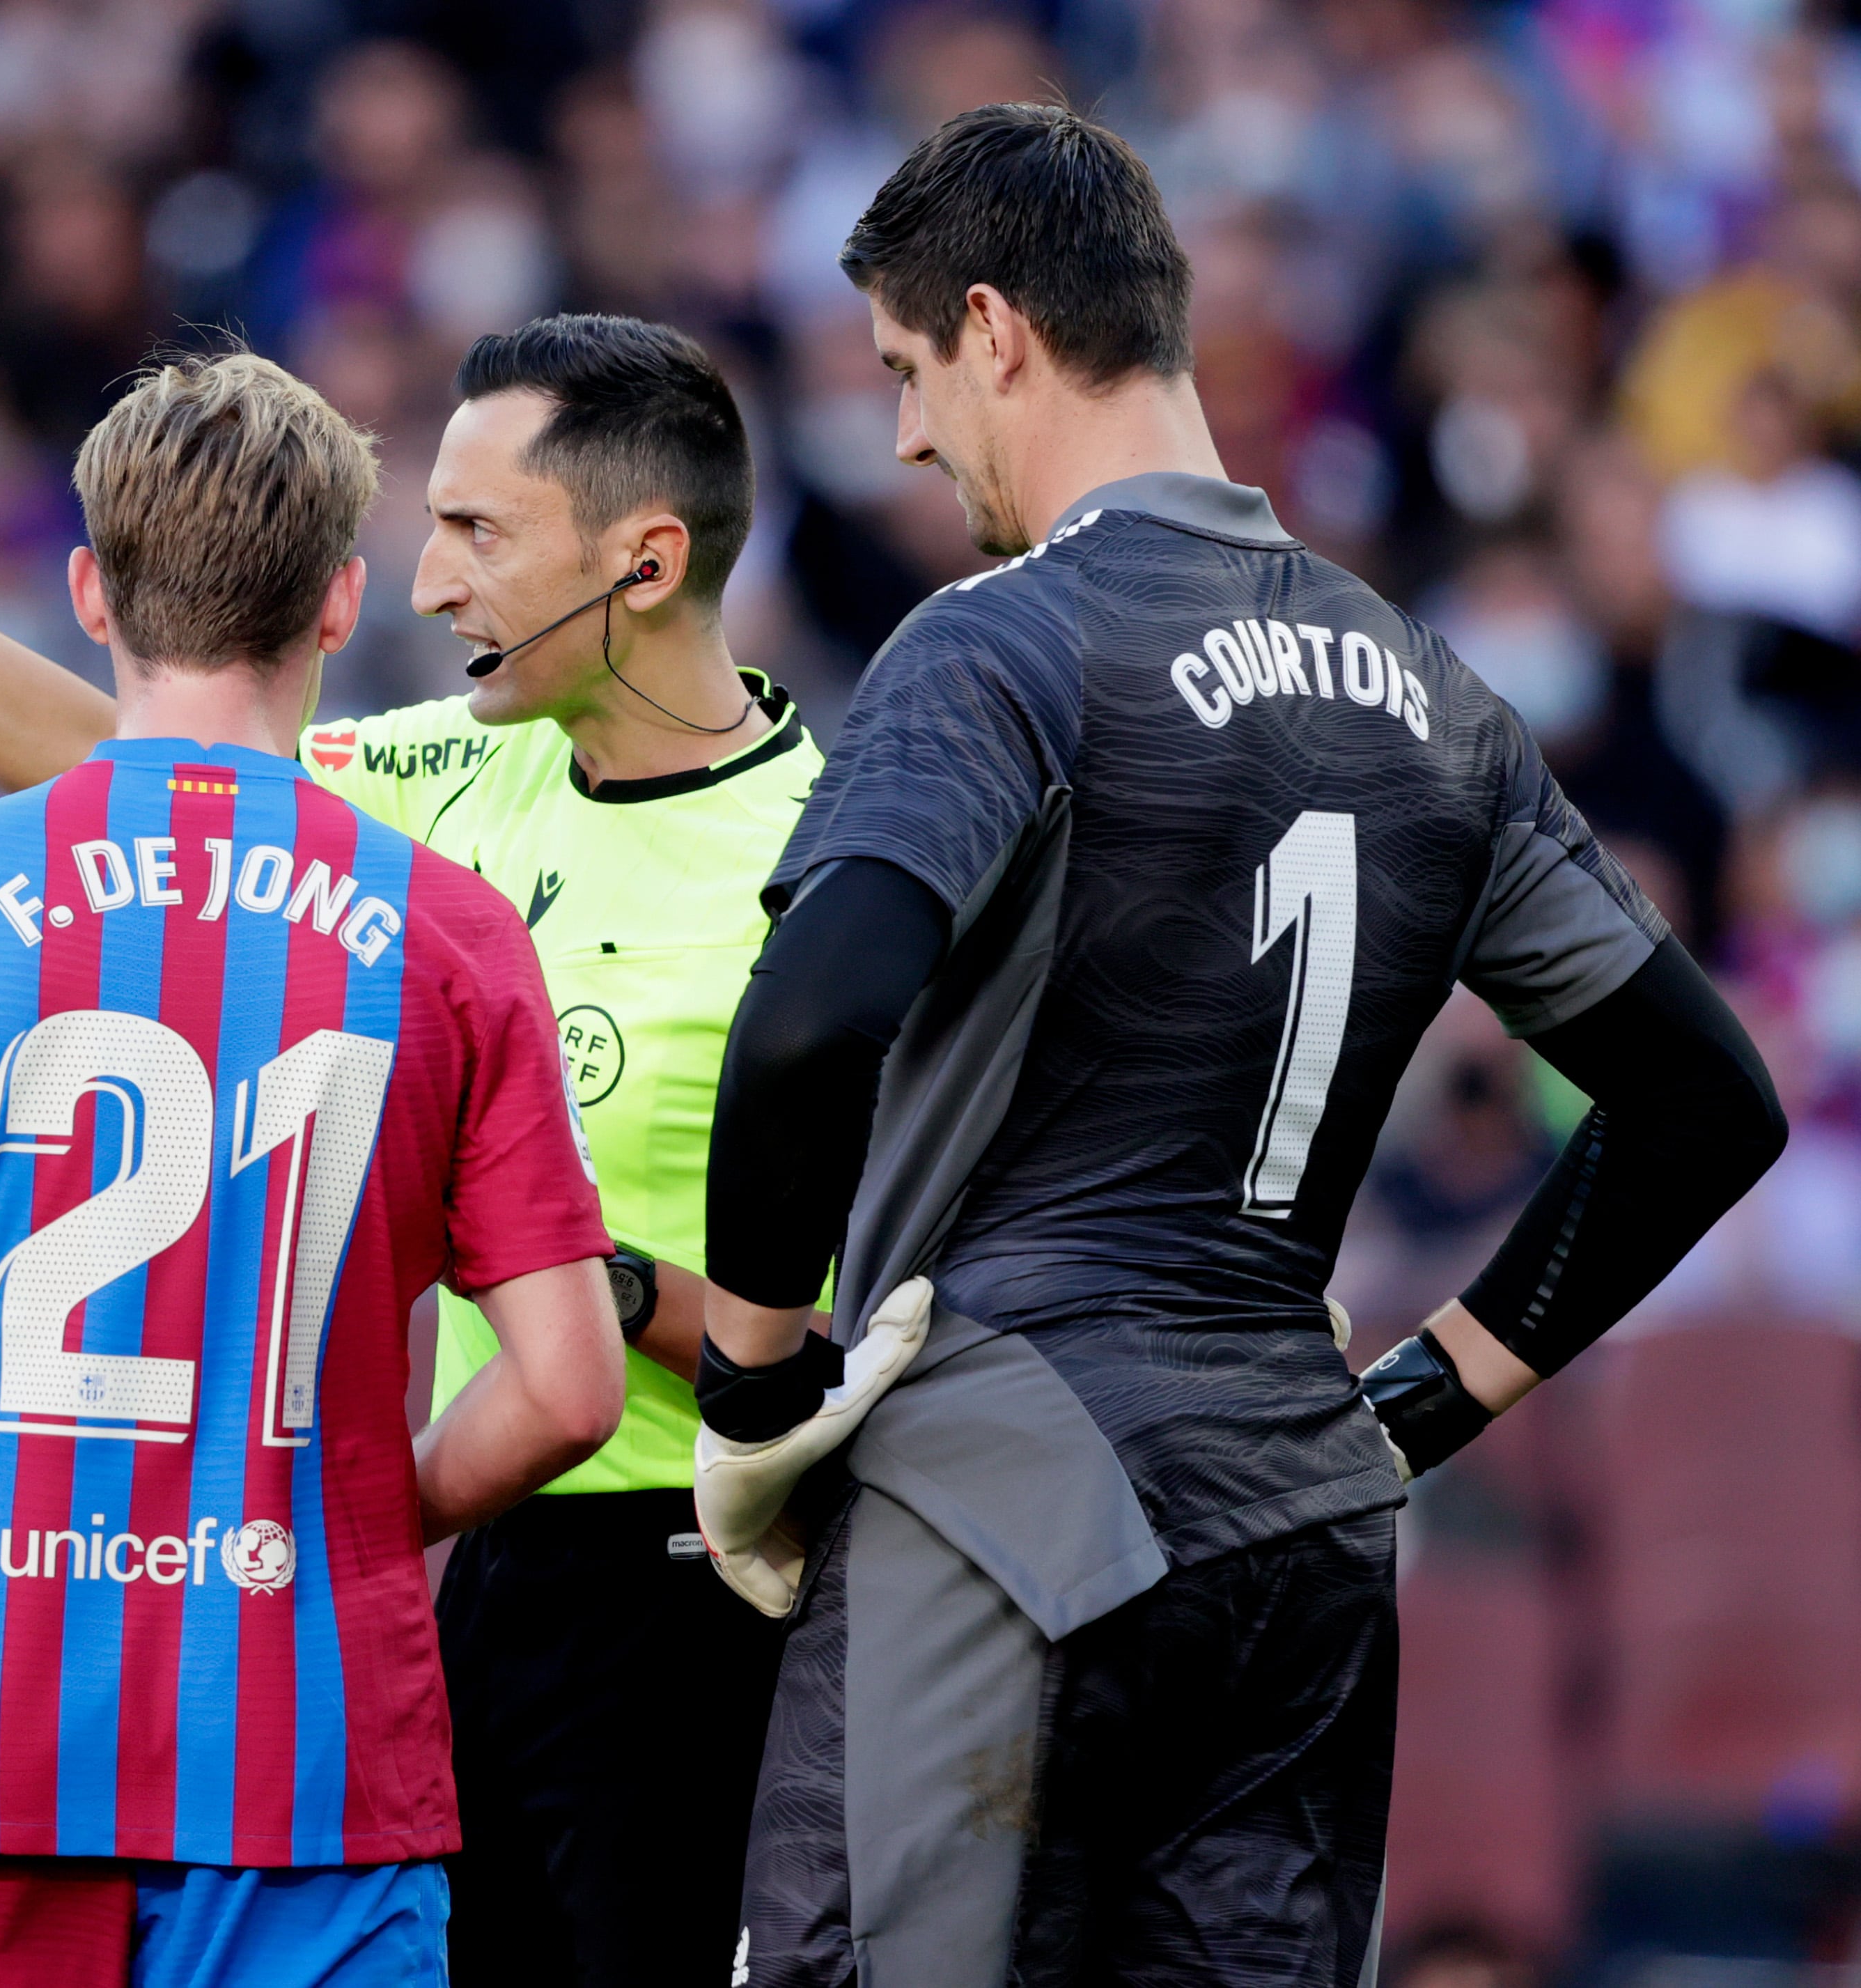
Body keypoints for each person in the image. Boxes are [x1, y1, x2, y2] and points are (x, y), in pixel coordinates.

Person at [0, 311, 820, 1987]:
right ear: (335, 604)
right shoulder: (443, 871)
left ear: (89, 591)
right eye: (420, 534)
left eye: (477, 529)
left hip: (44, 1706)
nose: (441, 578)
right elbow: (149, 785)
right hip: (327, 1678)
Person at [692, 104, 1789, 1988]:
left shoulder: (1001, 641)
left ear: (995, 326)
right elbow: (1707, 1100)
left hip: (1001, 1491)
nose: (900, 434)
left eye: (903, 370)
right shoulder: (1441, 699)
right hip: (1300, 1510)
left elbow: (808, 1025)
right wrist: (1418, 1403)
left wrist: (752, 1394)